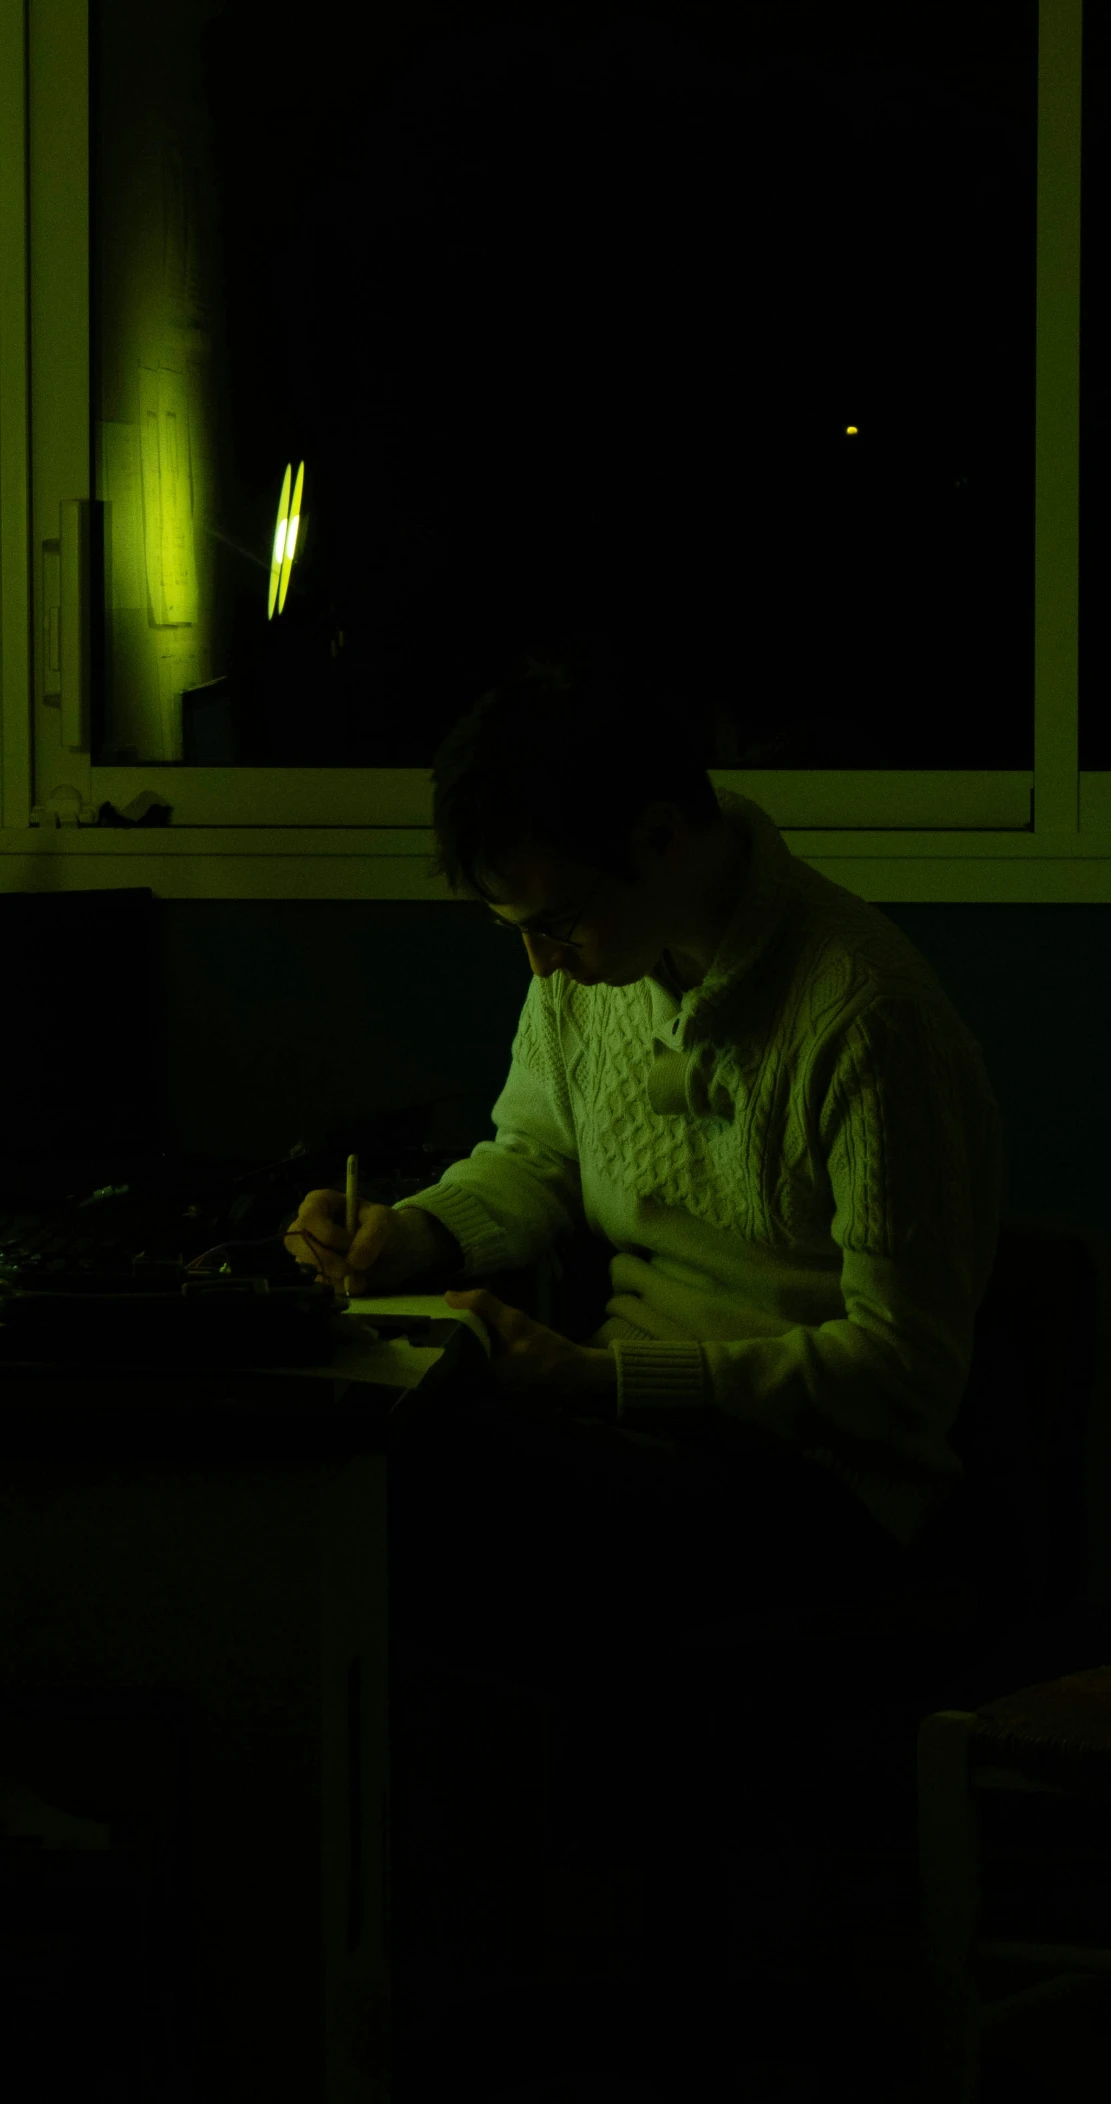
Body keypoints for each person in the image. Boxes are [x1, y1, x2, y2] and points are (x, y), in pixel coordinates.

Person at [284, 641, 1004, 2083]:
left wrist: (597, 1387)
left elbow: (898, 1374)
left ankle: (469, 1979)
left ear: (664, 842)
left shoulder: (860, 1018)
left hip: (819, 1482)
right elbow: (534, 1160)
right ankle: (471, 1952)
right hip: (630, 1439)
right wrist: (407, 1236)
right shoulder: (589, 970)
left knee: (414, 1475)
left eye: (552, 921)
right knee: (370, 1443)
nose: (540, 960)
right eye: (514, 931)